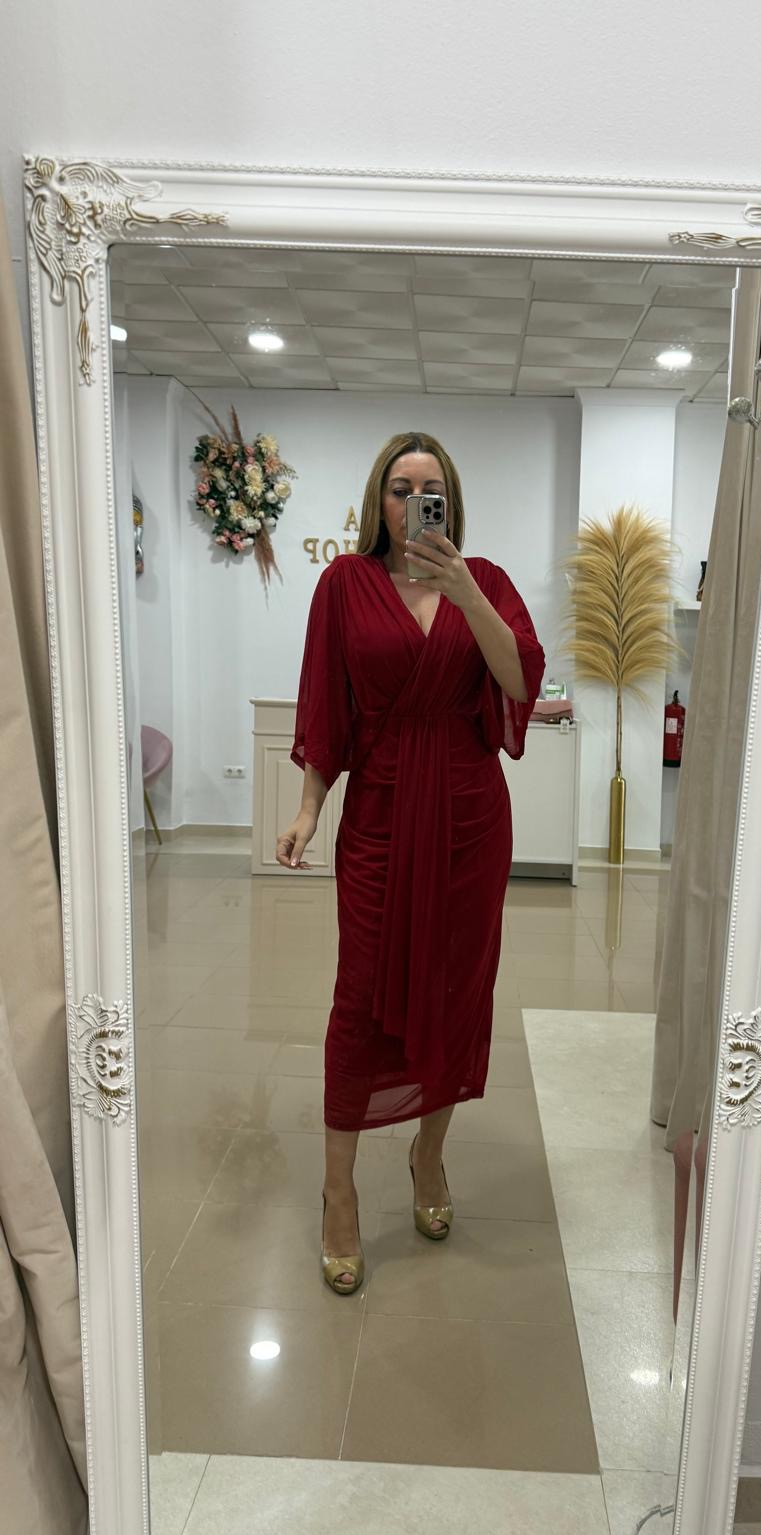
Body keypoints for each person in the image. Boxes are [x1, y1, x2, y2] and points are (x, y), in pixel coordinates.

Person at [276, 432, 545, 1294]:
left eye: (431, 489)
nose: (414, 502)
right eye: (400, 488)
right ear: (379, 500)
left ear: (450, 504)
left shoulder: (486, 581)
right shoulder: (343, 585)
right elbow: (328, 707)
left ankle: (428, 1157)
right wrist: (309, 809)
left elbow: (519, 682)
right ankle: (338, 1191)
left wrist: (465, 593)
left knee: (457, 992)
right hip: (383, 816)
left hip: (469, 818)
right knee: (358, 1001)